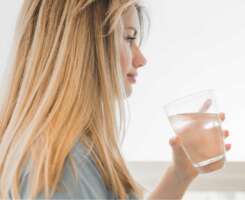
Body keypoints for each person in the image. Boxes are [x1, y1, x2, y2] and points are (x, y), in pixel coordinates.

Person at [0, 0, 232, 199]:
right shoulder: (66, 168)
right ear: (87, 45)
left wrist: (180, 174)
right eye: (129, 38)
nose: (141, 59)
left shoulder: (65, 154)